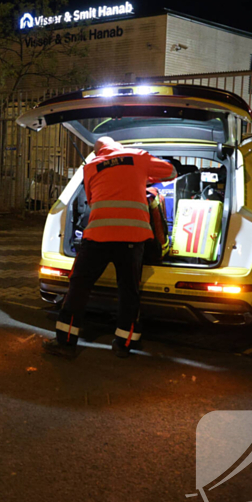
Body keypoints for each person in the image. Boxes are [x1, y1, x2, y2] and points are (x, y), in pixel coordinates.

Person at [41, 137, 176, 359]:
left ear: (97, 152)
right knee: (128, 289)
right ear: (119, 146)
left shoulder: (91, 167)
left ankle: (65, 342)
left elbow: (93, 200)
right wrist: (142, 178)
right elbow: (170, 172)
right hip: (132, 237)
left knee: (79, 285)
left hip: (98, 236)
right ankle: (124, 344)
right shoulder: (138, 157)